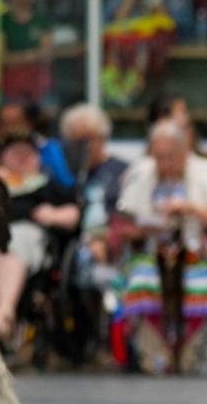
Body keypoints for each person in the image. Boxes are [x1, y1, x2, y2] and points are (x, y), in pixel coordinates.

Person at [114, 121, 207, 375]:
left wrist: (189, 208)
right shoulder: (142, 172)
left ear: (184, 150)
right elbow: (125, 226)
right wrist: (148, 227)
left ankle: (191, 354)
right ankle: (156, 355)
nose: (164, 163)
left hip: (196, 252)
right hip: (150, 253)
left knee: (203, 286)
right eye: (159, 157)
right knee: (140, 283)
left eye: (171, 156)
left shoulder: (205, 171)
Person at [0, 132, 81, 339]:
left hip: (26, 243)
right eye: (15, 153)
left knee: (12, 242)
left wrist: (54, 215)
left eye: (27, 154)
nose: (21, 159)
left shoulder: (48, 185)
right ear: (2, 157)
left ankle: (3, 315)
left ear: (38, 158)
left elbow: (74, 214)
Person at [60, 104, 129, 291]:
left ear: (103, 139)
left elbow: (129, 216)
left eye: (89, 140)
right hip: (72, 247)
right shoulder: (63, 174)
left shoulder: (122, 172)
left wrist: (106, 237)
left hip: (112, 245)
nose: (84, 148)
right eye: (76, 142)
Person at [0, 0, 54, 107]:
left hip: (40, 89)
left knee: (49, 108)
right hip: (9, 90)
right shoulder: (2, 22)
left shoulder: (42, 20)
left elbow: (46, 55)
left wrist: (17, 57)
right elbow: (2, 58)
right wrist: (32, 55)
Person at [0, 102, 77, 190]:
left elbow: (66, 184)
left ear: (28, 123)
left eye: (15, 122)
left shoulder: (48, 149)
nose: (10, 128)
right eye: (5, 124)